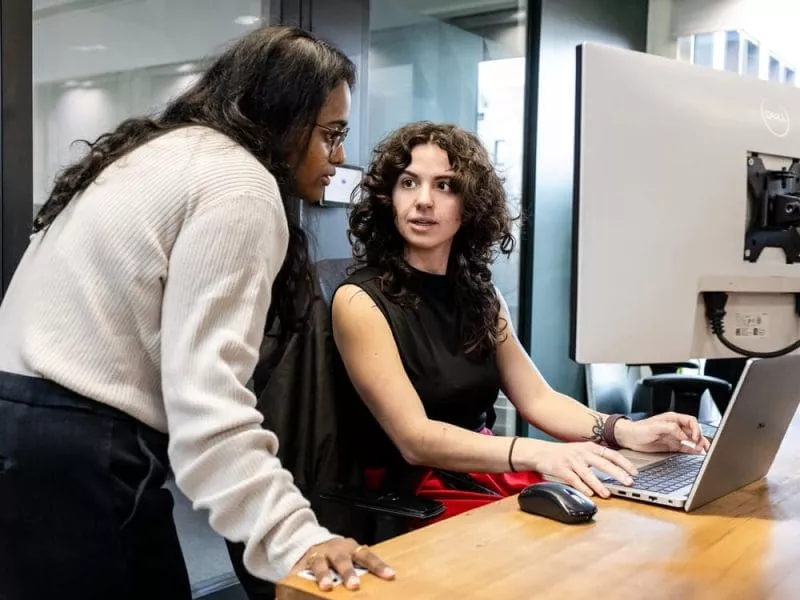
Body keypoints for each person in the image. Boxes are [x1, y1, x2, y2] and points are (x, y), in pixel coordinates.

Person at [0, 26, 394, 600]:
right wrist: (296, 540)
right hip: (79, 455)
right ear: (284, 118)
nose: (339, 156)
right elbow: (207, 403)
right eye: (331, 133)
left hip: (18, 431)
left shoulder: (159, 153)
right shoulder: (239, 184)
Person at [331, 121, 710, 522]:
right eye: (409, 183)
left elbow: (538, 399)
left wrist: (624, 431)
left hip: (480, 473)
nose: (423, 200)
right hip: (411, 494)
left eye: (444, 186)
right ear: (389, 197)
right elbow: (415, 439)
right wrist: (536, 451)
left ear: (470, 205)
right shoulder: (359, 301)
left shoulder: (481, 296)